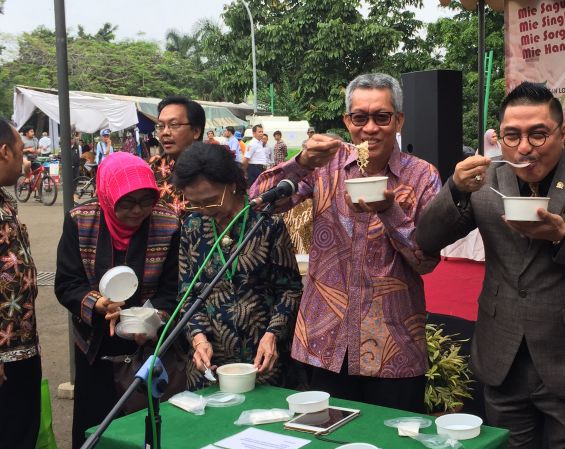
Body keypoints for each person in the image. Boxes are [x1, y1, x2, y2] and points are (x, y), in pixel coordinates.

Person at [415, 81, 565, 449]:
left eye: (538, 133)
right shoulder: (485, 180)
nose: (524, 147)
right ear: (500, 136)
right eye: (512, 135)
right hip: (504, 349)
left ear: (563, 133)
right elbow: (426, 238)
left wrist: (563, 234)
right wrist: (455, 189)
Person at [250, 73, 442, 412]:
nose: (370, 128)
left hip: (393, 345)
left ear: (399, 120)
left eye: (382, 117)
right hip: (325, 341)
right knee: (326, 442)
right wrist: (302, 162)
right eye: (360, 118)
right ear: (347, 121)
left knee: (394, 448)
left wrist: (390, 212)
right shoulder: (326, 166)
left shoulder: (423, 176)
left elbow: (426, 261)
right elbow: (258, 201)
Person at [55, 152, 181, 449]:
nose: (137, 211)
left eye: (145, 201)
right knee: (97, 425)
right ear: (108, 195)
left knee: (145, 429)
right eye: (127, 203)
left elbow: (174, 288)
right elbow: (66, 283)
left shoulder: (167, 223)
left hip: (146, 346)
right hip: (95, 346)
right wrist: (99, 304)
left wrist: (153, 319)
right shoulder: (81, 220)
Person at [171, 142, 302, 388]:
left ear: (232, 184)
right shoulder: (192, 227)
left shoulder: (266, 225)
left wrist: (273, 334)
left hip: (264, 359)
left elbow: (290, 289)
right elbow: (188, 293)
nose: (203, 210)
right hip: (210, 363)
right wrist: (199, 339)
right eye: (194, 203)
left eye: (209, 201)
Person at [0, 119, 41, 449]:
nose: (25, 161)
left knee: (17, 447)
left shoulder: (4, 201)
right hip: (4, 359)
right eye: (22, 151)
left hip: (21, 350)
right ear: (4, 152)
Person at [149, 96, 206, 212]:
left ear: (196, 131)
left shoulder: (216, 171)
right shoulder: (153, 168)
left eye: (174, 125)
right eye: (161, 126)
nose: (165, 132)